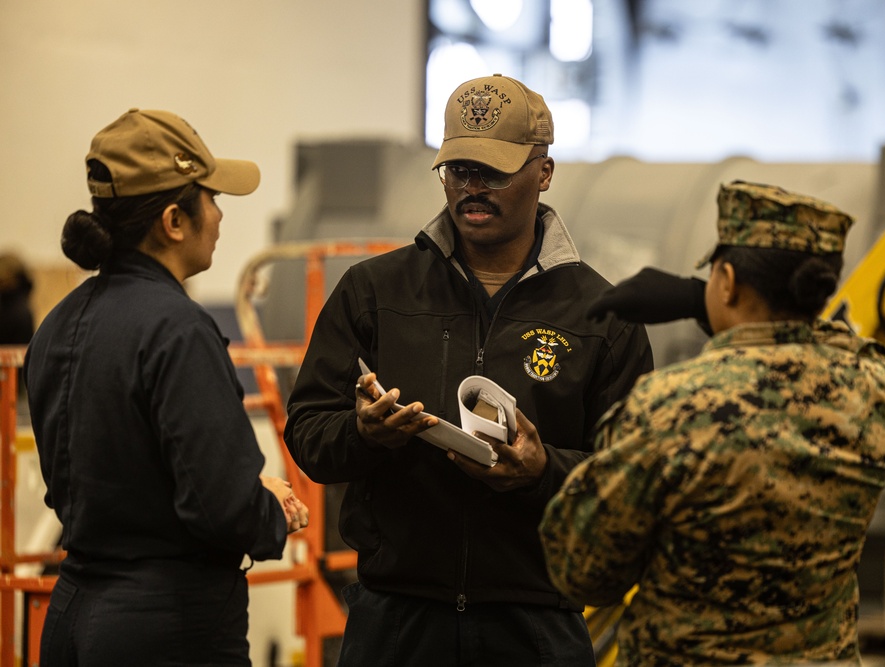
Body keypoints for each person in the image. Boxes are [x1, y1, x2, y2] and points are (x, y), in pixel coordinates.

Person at [283, 74, 653, 666]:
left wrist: (542, 470)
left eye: (495, 172)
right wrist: (364, 434)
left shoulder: (603, 317)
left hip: (536, 627)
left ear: (545, 172)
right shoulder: (373, 293)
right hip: (395, 626)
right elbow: (307, 433)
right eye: (458, 171)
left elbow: (636, 483)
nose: (472, 188)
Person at [539, 181, 885, 666]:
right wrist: (712, 304)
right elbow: (837, 341)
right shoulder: (871, 386)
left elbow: (583, 571)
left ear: (727, 280)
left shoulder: (675, 404)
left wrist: (701, 303)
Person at [24, 108, 309, 666]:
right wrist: (269, 507)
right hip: (167, 629)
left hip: (71, 618)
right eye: (211, 199)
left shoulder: (57, 324)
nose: (221, 216)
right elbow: (222, 508)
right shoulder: (178, 329)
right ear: (174, 221)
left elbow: (78, 488)